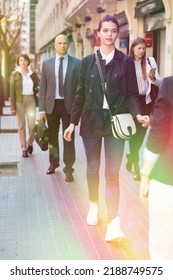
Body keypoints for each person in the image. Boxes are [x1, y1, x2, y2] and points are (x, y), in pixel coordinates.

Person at [64, 15, 149, 241]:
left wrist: (138, 114)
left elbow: (132, 93)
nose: (109, 34)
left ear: (117, 34)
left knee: (112, 174)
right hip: (91, 120)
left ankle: (113, 223)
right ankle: (94, 204)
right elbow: (80, 94)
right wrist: (72, 122)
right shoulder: (87, 62)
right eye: (106, 30)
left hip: (116, 122)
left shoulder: (126, 62)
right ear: (98, 34)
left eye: (113, 31)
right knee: (93, 168)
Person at [39, 34, 81, 182]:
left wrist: (79, 109)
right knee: (52, 136)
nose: (62, 45)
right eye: (59, 43)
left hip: (68, 105)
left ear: (68, 45)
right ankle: (53, 162)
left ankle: (69, 169)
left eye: (64, 43)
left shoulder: (77, 64)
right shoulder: (47, 63)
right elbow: (43, 87)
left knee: (68, 137)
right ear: (55, 45)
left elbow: (79, 88)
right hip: (52, 105)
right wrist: (41, 109)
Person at [140, 76, 173, 259]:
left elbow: (159, 133)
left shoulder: (170, 85)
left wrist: (145, 174)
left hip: (167, 179)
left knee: (163, 253)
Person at [126, 37, 162, 180]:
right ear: (133, 48)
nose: (141, 51)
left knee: (140, 134)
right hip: (132, 102)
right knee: (133, 134)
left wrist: (153, 78)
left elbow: (159, 83)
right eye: (139, 48)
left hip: (146, 102)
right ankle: (136, 165)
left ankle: (131, 156)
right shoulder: (127, 62)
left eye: (143, 48)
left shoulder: (150, 61)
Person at [9, 54, 39, 158]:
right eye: (21, 60)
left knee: (32, 126)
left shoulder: (33, 74)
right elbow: (11, 91)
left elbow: (38, 87)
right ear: (18, 61)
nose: (23, 62)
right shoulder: (14, 74)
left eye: (25, 60)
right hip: (19, 101)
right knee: (21, 126)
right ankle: (24, 148)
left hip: (31, 100)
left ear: (28, 62)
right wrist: (12, 107)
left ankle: (30, 142)